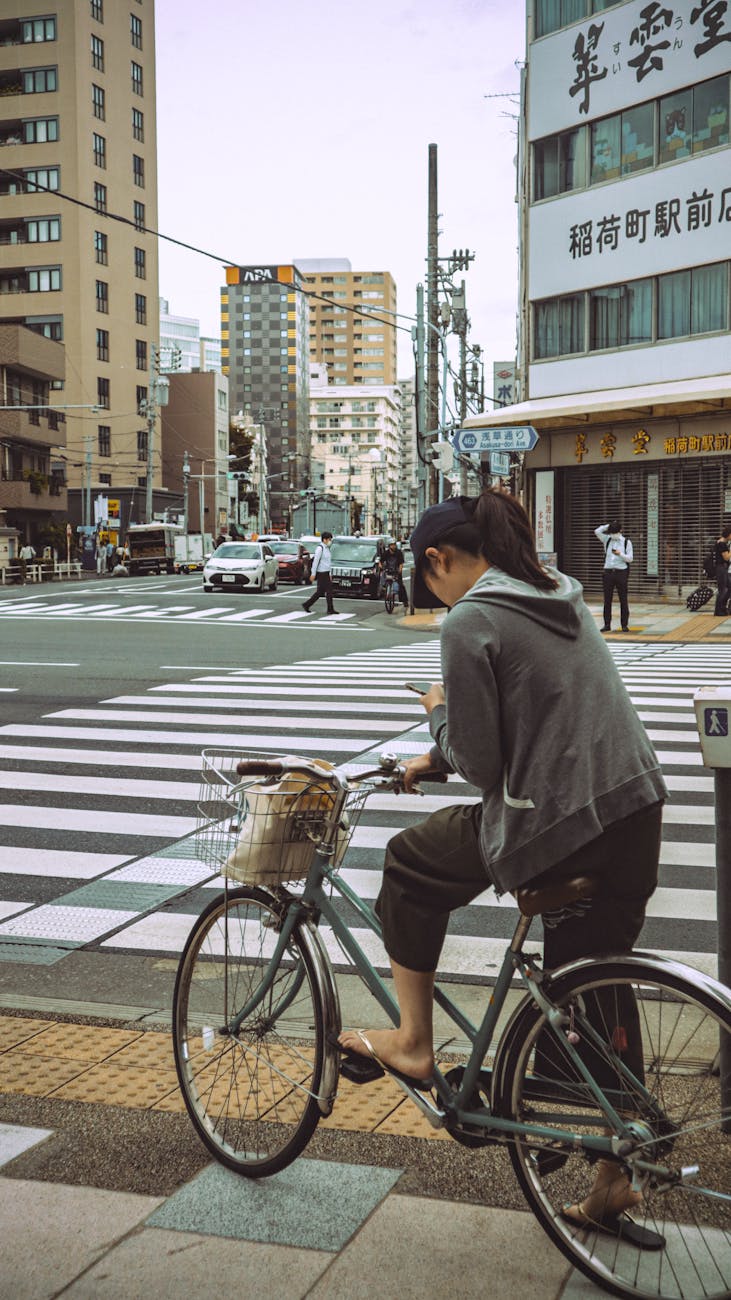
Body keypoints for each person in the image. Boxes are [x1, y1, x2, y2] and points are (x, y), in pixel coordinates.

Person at [339, 490, 666, 1242]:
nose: (433, 596)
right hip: (632, 811)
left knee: (409, 862)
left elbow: (485, 764)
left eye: (429, 582)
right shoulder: (556, 593)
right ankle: (616, 1176)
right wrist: (436, 755)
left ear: (438, 560)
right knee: (597, 980)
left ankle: (412, 1043)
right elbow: (535, 717)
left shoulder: (470, 618)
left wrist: (436, 711)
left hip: (559, 822)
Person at [594, 519, 633, 632]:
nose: (613, 535)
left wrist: (620, 554)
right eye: (611, 533)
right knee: (607, 600)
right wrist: (608, 526)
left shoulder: (626, 542)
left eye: (615, 533)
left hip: (621, 573)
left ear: (621, 531)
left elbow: (630, 559)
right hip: (608, 573)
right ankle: (607, 624)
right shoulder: (607, 539)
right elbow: (597, 531)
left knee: (623, 599)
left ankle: (624, 625)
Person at [302, 531, 338, 615]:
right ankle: (329, 608)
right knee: (325, 591)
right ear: (324, 539)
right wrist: (313, 574)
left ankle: (307, 605)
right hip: (321, 573)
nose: (330, 541)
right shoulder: (320, 548)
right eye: (329, 539)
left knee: (324, 592)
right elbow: (315, 562)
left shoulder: (327, 549)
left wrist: (330, 574)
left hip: (326, 573)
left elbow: (328, 563)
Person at [378, 539, 408, 606]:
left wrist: (400, 570)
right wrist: (381, 567)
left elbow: (401, 563)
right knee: (383, 578)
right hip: (388, 569)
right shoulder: (386, 553)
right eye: (391, 545)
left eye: (394, 545)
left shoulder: (398, 553)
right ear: (389, 546)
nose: (393, 546)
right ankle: (384, 589)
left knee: (400, 585)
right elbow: (381, 561)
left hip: (396, 570)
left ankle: (404, 601)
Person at [712, 525, 731, 617]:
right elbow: (726, 557)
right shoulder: (722, 544)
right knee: (722, 589)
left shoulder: (721, 542)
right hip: (721, 568)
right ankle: (718, 610)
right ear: (729, 534)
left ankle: (722, 607)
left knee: (729, 588)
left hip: (723, 568)